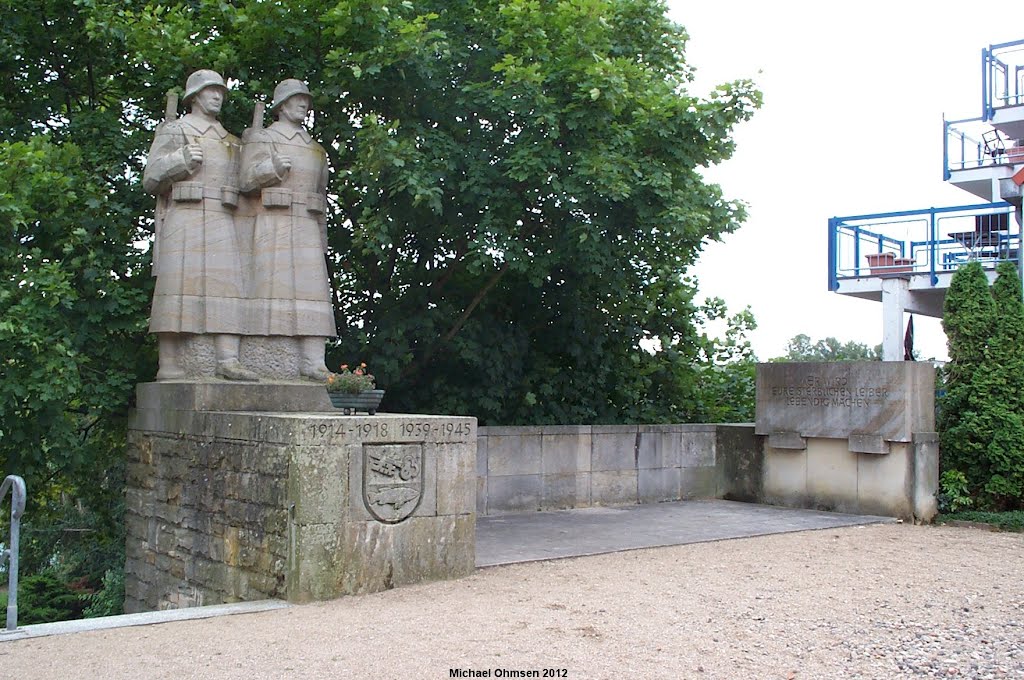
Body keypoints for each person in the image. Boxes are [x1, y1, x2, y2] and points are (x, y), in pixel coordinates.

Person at [143, 69, 258, 381]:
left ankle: (228, 360)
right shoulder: (176, 130)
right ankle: (168, 362)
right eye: (210, 91)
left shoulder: (231, 141)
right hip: (186, 212)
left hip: (222, 215)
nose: (217, 96)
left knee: (228, 286)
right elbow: (150, 178)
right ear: (194, 96)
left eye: (220, 91)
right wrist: (179, 160)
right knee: (177, 286)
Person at [240, 79, 333, 380]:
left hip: (306, 222)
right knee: (270, 286)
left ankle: (313, 361)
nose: (303, 104)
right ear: (281, 105)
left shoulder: (316, 150)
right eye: (296, 99)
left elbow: (321, 195)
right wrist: (271, 168)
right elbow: (245, 182)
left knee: (312, 290)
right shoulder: (264, 138)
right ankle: (265, 359)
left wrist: (321, 238)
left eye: (305, 99)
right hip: (273, 218)